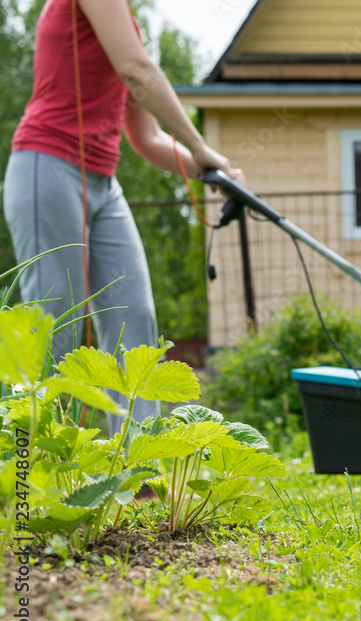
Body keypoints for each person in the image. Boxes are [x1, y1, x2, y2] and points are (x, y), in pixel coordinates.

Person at [2, 0, 243, 433]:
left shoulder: (125, 23)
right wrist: (201, 144)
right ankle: (36, 473)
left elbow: (148, 140)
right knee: (55, 323)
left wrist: (214, 172)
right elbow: (138, 71)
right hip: (48, 167)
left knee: (134, 317)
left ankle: (136, 472)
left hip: (102, 182)